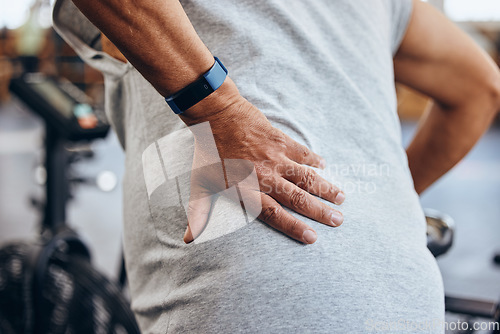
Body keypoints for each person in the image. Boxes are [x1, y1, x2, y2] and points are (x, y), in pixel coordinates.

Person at [52, 0, 500, 332]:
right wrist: (380, 209)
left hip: (257, 282)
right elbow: (482, 88)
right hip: (405, 296)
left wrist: (220, 111)